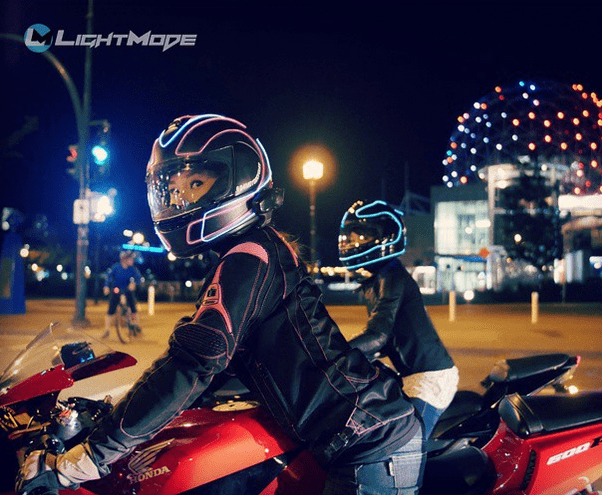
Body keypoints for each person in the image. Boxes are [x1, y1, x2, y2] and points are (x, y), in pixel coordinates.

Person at [17, 114, 426, 495]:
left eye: (196, 185)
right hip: (351, 432)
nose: (180, 199)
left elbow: (192, 366)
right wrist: (111, 414)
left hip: (369, 442)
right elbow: (192, 356)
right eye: (175, 189)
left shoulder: (251, 257)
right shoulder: (242, 258)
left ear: (238, 180)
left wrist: (90, 458)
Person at [339, 200, 459, 440]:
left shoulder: (391, 276)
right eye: (350, 237)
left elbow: (378, 335)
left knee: (405, 444)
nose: (353, 243)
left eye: (361, 236)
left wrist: (335, 352)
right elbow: (382, 339)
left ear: (386, 236)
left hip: (430, 380)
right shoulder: (379, 278)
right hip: (412, 376)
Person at [101, 250, 143, 339]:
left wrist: (134, 283)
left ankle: (136, 324)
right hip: (116, 289)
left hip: (127, 290)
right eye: (130, 259)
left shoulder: (132, 269)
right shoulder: (116, 267)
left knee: (133, 308)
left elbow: (139, 278)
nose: (132, 261)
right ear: (124, 259)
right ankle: (106, 330)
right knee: (110, 310)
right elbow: (108, 277)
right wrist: (106, 286)